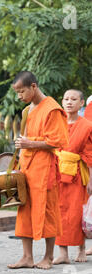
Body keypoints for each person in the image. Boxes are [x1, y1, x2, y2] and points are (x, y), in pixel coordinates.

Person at [7, 71, 69, 270]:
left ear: (33, 86)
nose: (20, 97)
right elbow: (25, 142)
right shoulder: (27, 111)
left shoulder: (52, 109)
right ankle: (27, 256)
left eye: (22, 91)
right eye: (17, 93)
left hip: (45, 168)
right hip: (27, 167)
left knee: (48, 210)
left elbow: (57, 142)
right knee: (24, 210)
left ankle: (49, 257)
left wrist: (29, 143)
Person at [52, 89, 92, 264]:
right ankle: (62, 253)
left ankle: (81, 249)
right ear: (62, 102)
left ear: (81, 103)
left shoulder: (87, 126)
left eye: (74, 99)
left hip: (77, 175)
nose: (69, 102)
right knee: (58, 212)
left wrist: (91, 179)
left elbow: (90, 155)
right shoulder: (55, 123)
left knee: (77, 213)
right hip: (57, 174)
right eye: (66, 99)